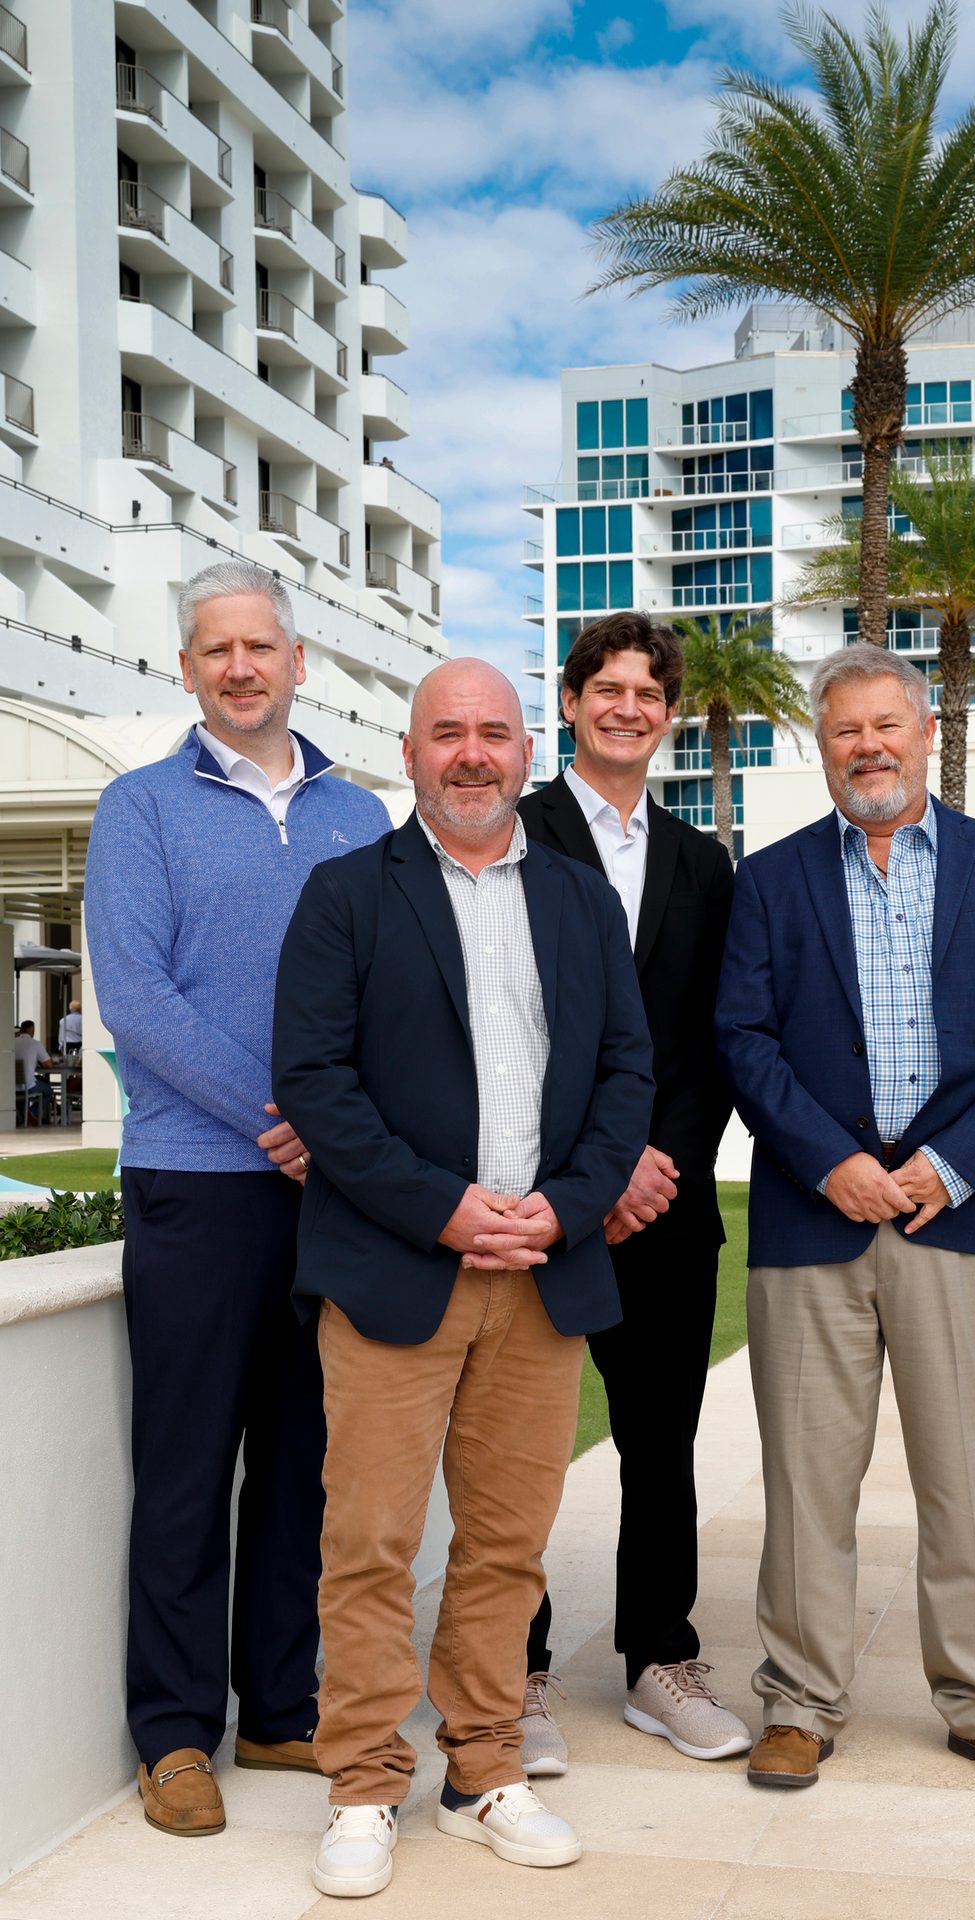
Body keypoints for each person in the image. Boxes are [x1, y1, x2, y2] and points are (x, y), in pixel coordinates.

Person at [272, 659, 654, 1899]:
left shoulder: (582, 902)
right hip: (395, 1273)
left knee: (506, 1546)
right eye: (450, 734)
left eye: (493, 733)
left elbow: (624, 1077)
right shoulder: (345, 897)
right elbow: (317, 1082)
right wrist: (444, 1210)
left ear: (526, 747)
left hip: (543, 1272)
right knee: (371, 1541)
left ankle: (485, 1767)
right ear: (411, 749)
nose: (473, 754)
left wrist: (565, 1204)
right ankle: (364, 1785)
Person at [715, 645, 975, 1791]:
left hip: (957, 1217)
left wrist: (947, 1165)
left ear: (924, 731)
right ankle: (800, 1702)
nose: (866, 746)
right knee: (806, 1479)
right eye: (841, 731)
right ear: (819, 747)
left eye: (885, 724)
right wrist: (829, 1163)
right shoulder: (768, 880)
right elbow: (743, 1039)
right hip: (813, 1219)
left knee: (963, 1474)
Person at [82, 559, 391, 1838]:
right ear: (189, 669)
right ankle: (171, 1736)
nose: (241, 667)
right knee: (187, 1467)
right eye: (216, 650)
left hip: (329, 1200)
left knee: (305, 1465)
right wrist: (284, 1120)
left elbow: (391, 996)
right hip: (197, 1188)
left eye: (260, 647)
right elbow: (137, 1001)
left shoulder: (362, 816)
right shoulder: (138, 807)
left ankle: (276, 1709)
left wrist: (346, 1138)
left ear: (297, 660)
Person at [516, 611, 748, 1773]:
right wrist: (587, 1174)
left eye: (646, 693)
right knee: (518, 1449)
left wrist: (650, 1168)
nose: (625, 707)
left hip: (663, 1204)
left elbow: (716, 1038)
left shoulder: (705, 863)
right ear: (568, 702)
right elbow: (497, 1026)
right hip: (539, 1201)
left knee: (661, 1443)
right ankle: (515, 1672)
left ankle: (662, 1659)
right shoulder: (507, 832)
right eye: (604, 687)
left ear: (667, 713)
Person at [14, 1019, 52, 1123]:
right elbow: (48, 1065)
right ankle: (32, 1112)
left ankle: (23, 1113)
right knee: (48, 1091)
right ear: (33, 1031)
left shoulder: (11, 1042)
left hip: (11, 1085)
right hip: (28, 1085)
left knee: (38, 1080)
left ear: (21, 1029)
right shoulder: (35, 1044)